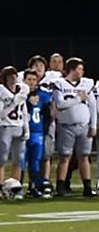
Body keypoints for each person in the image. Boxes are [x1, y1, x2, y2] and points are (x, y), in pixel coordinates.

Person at [52, 58, 96, 197]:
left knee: (84, 156)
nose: (82, 71)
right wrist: (78, 99)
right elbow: (60, 104)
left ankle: (87, 187)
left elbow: (93, 106)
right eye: (79, 68)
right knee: (65, 157)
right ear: (72, 69)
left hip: (84, 125)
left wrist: (93, 125)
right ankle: (60, 186)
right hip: (66, 125)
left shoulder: (87, 84)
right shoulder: (60, 83)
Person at [0, 66, 29, 192]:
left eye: (14, 76)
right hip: (6, 127)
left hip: (19, 126)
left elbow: (25, 112)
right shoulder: (1, 91)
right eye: (9, 77)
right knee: (2, 158)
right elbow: (1, 114)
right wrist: (14, 102)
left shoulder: (22, 90)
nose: (13, 79)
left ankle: (16, 186)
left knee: (19, 158)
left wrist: (26, 128)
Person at [23, 69, 51, 196]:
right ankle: (16, 187)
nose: (31, 82)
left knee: (35, 161)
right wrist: (28, 103)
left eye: (34, 80)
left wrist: (44, 130)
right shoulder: (20, 93)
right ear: (24, 80)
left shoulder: (43, 94)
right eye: (29, 79)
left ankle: (33, 187)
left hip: (36, 132)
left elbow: (47, 115)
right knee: (21, 161)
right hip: (22, 131)